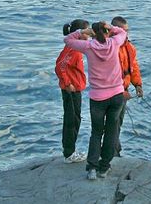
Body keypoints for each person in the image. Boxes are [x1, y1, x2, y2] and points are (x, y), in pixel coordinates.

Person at [64, 20, 128, 180]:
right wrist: (111, 28)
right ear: (106, 32)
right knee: (112, 131)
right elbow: (123, 33)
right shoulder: (114, 43)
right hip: (117, 95)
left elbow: (67, 40)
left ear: (93, 33)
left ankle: (92, 168)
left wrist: (82, 32)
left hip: (98, 97)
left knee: (96, 132)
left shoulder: (88, 47)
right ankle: (104, 167)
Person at [56, 19, 90, 163]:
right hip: (71, 90)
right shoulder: (73, 50)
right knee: (72, 120)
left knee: (75, 118)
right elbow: (59, 67)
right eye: (87, 31)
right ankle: (69, 153)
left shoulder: (75, 49)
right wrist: (68, 83)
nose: (89, 35)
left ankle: (70, 150)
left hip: (75, 89)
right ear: (79, 33)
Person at [111, 16, 143, 157]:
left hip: (124, 90)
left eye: (127, 31)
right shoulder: (111, 48)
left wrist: (137, 84)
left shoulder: (129, 47)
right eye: (123, 31)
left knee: (119, 121)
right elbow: (110, 73)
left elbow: (133, 67)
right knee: (112, 122)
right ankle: (112, 151)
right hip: (112, 92)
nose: (126, 34)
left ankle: (115, 148)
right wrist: (120, 91)